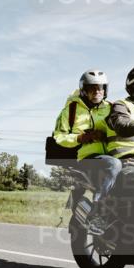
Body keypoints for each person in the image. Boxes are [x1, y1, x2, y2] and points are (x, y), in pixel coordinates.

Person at [53, 70, 122, 224]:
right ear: (84, 89)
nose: (97, 92)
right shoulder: (71, 110)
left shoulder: (110, 107)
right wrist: (82, 137)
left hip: (111, 154)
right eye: (92, 88)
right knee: (114, 164)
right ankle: (98, 206)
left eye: (101, 88)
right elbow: (59, 136)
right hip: (87, 158)